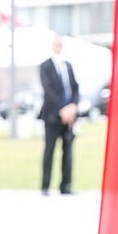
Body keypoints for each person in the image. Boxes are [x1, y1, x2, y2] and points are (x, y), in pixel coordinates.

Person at [37, 34, 80, 195]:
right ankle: (45, 186)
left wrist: (73, 107)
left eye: (61, 44)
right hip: (52, 116)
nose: (59, 46)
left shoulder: (68, 65)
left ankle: (66, 186)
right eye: (56, 43)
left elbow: (75, 88)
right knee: (49, 150)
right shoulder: (45, 66)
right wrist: (63, 109)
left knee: (68, 150)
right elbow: (49, 90)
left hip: (69, 117)